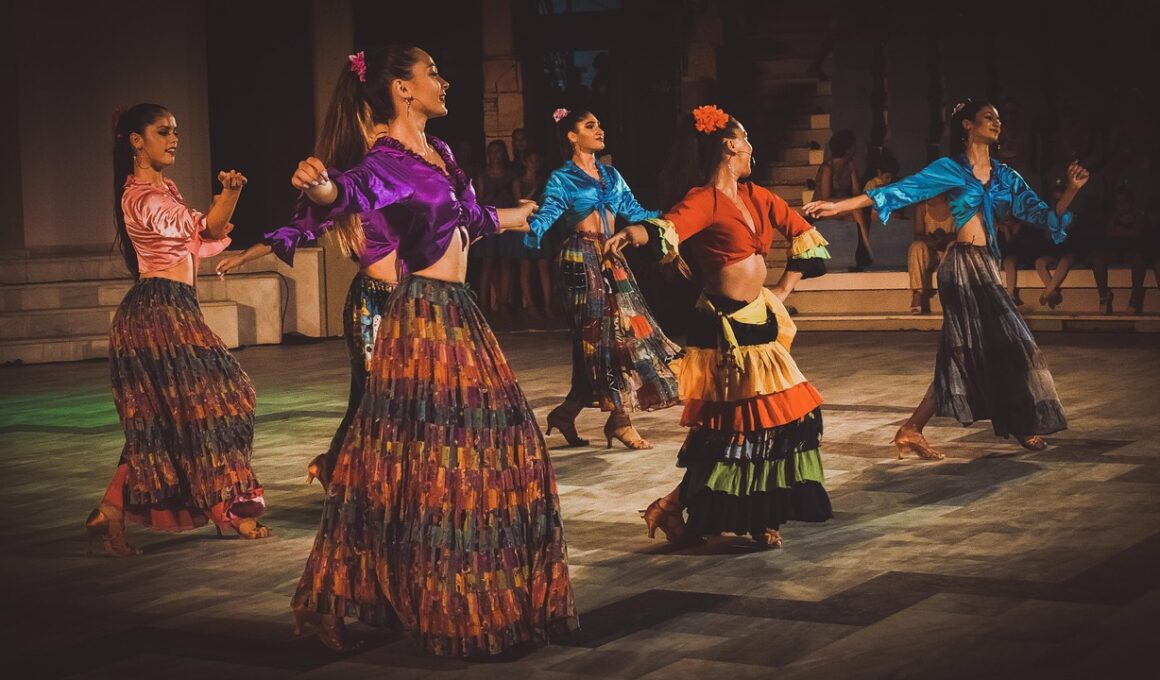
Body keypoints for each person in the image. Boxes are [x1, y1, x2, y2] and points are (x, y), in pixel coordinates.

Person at [284, 46, 576, 657]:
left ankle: (457, 593)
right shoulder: (386, 159)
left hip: (458, 309)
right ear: (402, 88)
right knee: (419, 465)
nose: (444, 81)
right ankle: (359, 597)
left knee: (496, 446)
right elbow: (347, 191)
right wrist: (321, 187)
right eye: (433, 73)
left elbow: (468, 217)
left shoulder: (438, 152)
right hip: (421, 317)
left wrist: (520, 216)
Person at [805, 99, 1089, 457]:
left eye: (998, 119)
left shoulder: (1006, 177)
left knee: (977, 351)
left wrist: (1073, 190)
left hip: (987, 265)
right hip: (961, 266)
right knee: (1004, 345)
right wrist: (838, 205)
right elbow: (901, 190)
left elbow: (1045, 215)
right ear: (968, 125)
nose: (997, 123)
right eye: (988, 117)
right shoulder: (950, 169)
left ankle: (912, 429)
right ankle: (1018, 423)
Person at [607, 105, 834, 549]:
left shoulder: (757, 196)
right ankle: (704, 510)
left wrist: (782, 289)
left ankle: (722, 510)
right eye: (745, 139)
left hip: (760, 322)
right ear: (730, 145)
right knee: (740, 427)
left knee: (780, 419)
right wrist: (632, 234)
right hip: (724, 328)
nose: (751, 147)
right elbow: (667, 227)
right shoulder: (704, 200)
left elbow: (804, 234)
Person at [215, 54, 408, 491]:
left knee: (385, 395)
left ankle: (335, 463)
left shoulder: (405, 170)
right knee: (375, 395)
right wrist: (247, 255)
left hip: (409, 299)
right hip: (371, 304)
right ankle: (366, 478)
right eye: (379, 127)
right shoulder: (349, 179)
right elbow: (300, 226)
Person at [87, 103, 269, 556]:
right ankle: (231, 507)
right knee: (229, 396)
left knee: (164, 422)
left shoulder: (162, 190)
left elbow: (207, 232)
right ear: (136, 141)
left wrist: (228, 197)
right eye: (163, 131)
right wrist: (229, 193)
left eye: (175, 131)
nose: (174, 139)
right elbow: (204, 225)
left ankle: (111, 511)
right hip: (160, 311)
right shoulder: (143, 198)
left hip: (167, 309)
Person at [526, 108, 682, 450]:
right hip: (580, 258)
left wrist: (676, 216)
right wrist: (526, 223)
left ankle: (567, 413)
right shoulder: (562, 178)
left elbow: (636, 211)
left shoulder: (611, 175)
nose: (600, 130)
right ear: (572, 136)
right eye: (590, 126)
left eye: (599, 124)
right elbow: (548, 212)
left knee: (625, 331)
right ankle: (620, 420)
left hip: (612, 257)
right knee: (601, 338)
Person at [815, 129, 873, 270]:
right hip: (822, 209)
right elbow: (825, 198)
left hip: (841, 209)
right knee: (855, 209)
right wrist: (848, 202)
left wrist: (853, 173)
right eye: (853, 146)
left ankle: (854, 259)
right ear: (848, 149)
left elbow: (856, 193)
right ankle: (870, 252)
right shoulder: (828, 167)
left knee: (855, 216)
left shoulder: (849, 165)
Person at [1090, 183, 1151, 314]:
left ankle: (1135, 298)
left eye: (1125, 201)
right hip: (1115, 252)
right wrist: (1122, 230)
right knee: (1096, 258)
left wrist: (1120, 231)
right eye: (1119, 202)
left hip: (1133, 252)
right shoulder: (1114, 217)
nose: (1122, 205)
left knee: (1139, 260)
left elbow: (1138, 232)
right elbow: (1109, 232)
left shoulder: (1139, 215)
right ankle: (1104, 296)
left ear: (1131, 201)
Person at [473, 139, 516, 313]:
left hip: (506, 220)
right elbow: (479, 201)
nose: (495, 155)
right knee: (488, 262)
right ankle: (484, 305)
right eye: (491, 152)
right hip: (489, 221)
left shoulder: (510, 175)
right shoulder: (483, 175)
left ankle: (503, 303)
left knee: (505, 262)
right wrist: (491, 194)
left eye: (498, 151)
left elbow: (515, 199)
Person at [512, 149, 553, 318]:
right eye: (531, 160)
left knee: (544, 266)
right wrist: (534, 189)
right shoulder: (518, 182)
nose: (534, 164)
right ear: (525, 162)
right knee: (526, 267)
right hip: (525, 226)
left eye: (537, 161)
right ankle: (530, 305)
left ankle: (548, 305)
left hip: (541, 225)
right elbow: (520, 205)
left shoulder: (546, 181)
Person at [907, 194, 956, 314]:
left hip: (950, 252)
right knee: (916, 246)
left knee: (955, 245)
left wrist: (945, 239)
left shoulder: (956, 204)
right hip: (931, 253)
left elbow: (962, 233)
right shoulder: (922, 207)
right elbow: (918, 234)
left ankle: (953, 298)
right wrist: (934, 241)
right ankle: (917, 294)